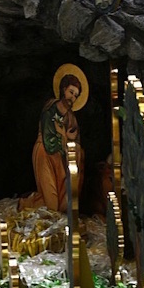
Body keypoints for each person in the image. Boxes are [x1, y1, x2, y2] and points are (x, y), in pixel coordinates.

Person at [20, 72, 85, 213]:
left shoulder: (71, 117)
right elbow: (49, 143)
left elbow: (75, 141)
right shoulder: (51, 109)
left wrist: (72, 143)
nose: (72, 98)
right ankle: (25, 204)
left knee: (61, 205)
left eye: (75, 95)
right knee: (52, 205)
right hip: (45, 155)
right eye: (71, 92)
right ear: (63, 89)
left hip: (60, 159)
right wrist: (66, 137)